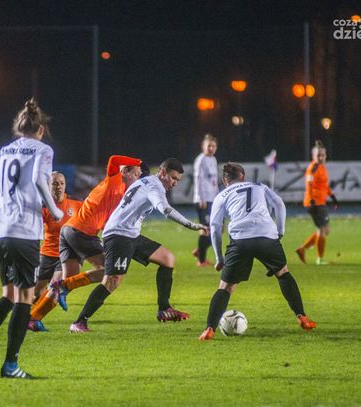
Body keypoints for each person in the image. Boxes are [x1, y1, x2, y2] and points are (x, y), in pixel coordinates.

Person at [0, 98, 62, 379]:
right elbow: (41, 181)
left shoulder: (6, 150)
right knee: (25, 297)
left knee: (9, 295)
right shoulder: (43, 149)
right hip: (23, 230)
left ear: (19, 128)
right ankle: (10, 365)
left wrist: (7, 196)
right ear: (40, 129)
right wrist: (54, 210)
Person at [68, 158, 207, 332]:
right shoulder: (154, 187)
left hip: (130, 234)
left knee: (167, 259)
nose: (175, 183)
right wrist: (190, 224)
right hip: (118, 235)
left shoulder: (145, 181)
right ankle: (79, 322)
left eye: (177, 180)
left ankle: (164, 309)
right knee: (112, 281)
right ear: (162, 172)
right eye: (173, 178)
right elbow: (165, 209)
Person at [198, 163, 317, 341]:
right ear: (243, 176)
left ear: (224, 181)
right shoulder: (259, 186)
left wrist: (219, 257)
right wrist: (280, 231)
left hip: (240, 240)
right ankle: (302, 317)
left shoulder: (221, 196)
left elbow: (215, 227)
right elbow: (279, 204)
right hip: (266, 236)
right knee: (283, 273)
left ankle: (209, 329)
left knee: (226, 287)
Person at [28, 154, 144, 327]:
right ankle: (61, 288)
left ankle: (33, 318)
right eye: (136, 173)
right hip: (80, 232)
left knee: (68, 279)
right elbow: (113, 159)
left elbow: (105, 221)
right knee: (109, 272)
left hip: (69, 231)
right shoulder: (114, 179)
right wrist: (138, 162)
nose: (138, 177)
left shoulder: (122, 195)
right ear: (125, 172)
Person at [28, 171, 82, 332]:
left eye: (61, 183)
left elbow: (86, 222)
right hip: (47, 253)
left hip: (68, 254)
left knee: (56, 286)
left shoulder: (76, 202)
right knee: (36, 293)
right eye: (54, 183)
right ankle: (28, 317)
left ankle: (34, 319)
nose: (58, 187)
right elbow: (34, 231)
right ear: (48, 186)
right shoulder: (43, 206)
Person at [295, 140, 339, 266]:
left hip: (320, 202)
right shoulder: (313, 168)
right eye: (318, 155)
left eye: (323, 155)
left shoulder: (322, 167)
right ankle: (320, 258)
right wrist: (312, 200)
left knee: (324, 229)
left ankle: (302, 249)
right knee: (323, 229)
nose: (321, 157)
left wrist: (333, 197)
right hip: (315, 202)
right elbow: (309, 184)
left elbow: (324, 185)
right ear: (313, 156)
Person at [192, 134, 219, 266]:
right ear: (203, 146)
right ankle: (201, 261)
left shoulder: (213, 159)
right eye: (209, 146)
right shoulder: (201, 160)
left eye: (213, 146)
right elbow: (198, 180)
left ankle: (200, 250)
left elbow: (214, 181)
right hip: (203, 200)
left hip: (212, 199)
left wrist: (218, 197)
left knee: (217, 229)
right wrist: (201, 198)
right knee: (206, 229)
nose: (211, 148)